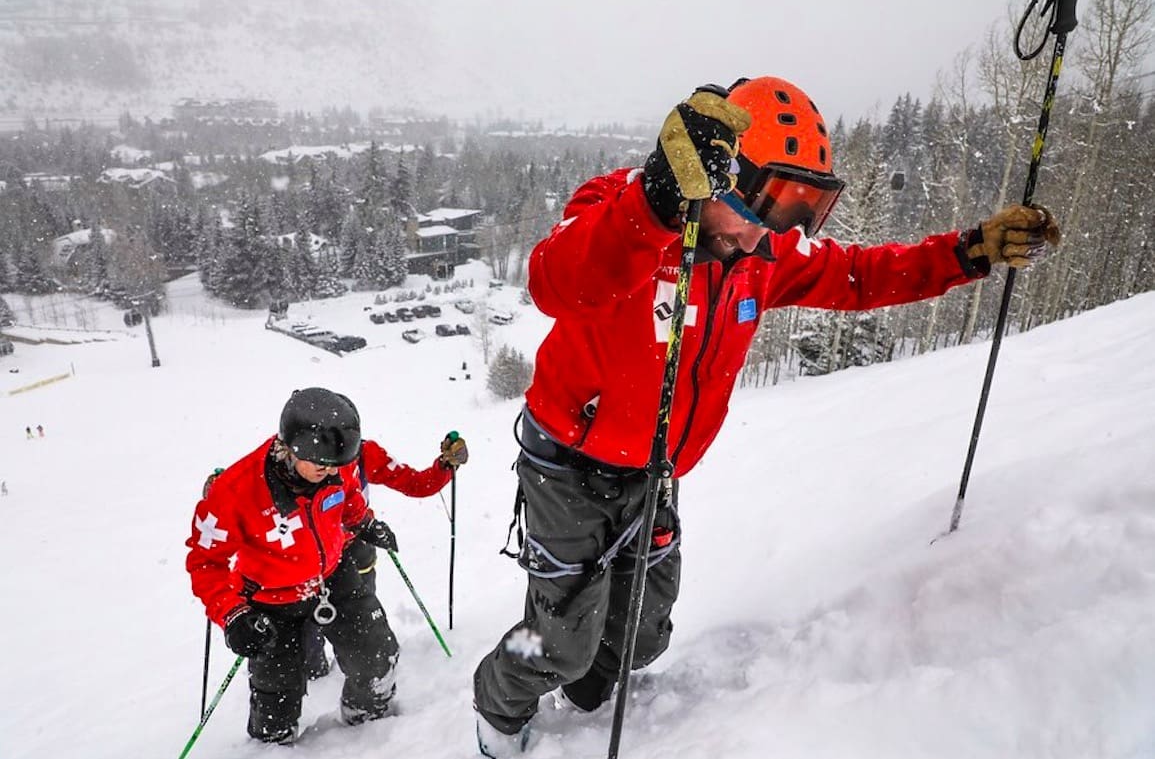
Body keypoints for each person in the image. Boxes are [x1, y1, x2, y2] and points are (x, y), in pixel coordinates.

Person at [471, 76, 1061, 757]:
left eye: (804, 210)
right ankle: (499, 707)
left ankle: (585, 694)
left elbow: (859, 275)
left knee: (643, 633)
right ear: (719, 179)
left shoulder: (760, 254)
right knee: (560, 644)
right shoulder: (622, 206)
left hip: (657, 473)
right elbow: (556, 279)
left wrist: (968, 252)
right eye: (772, 203)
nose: (776, 231)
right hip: (568, 468)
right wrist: (656, 205)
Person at [186, 387, 468, 744]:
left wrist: (363, 522)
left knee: (377, 658)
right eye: (320, 463)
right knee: (277, 700)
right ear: (289, 448)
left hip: (333, 576)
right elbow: (204, 562)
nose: (329, 470)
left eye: (336, 464)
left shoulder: (338, 464)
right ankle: (274, 745)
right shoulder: (236, 491)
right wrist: (233, 614)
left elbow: (346, 499)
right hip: (270, 600)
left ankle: (369, 728)